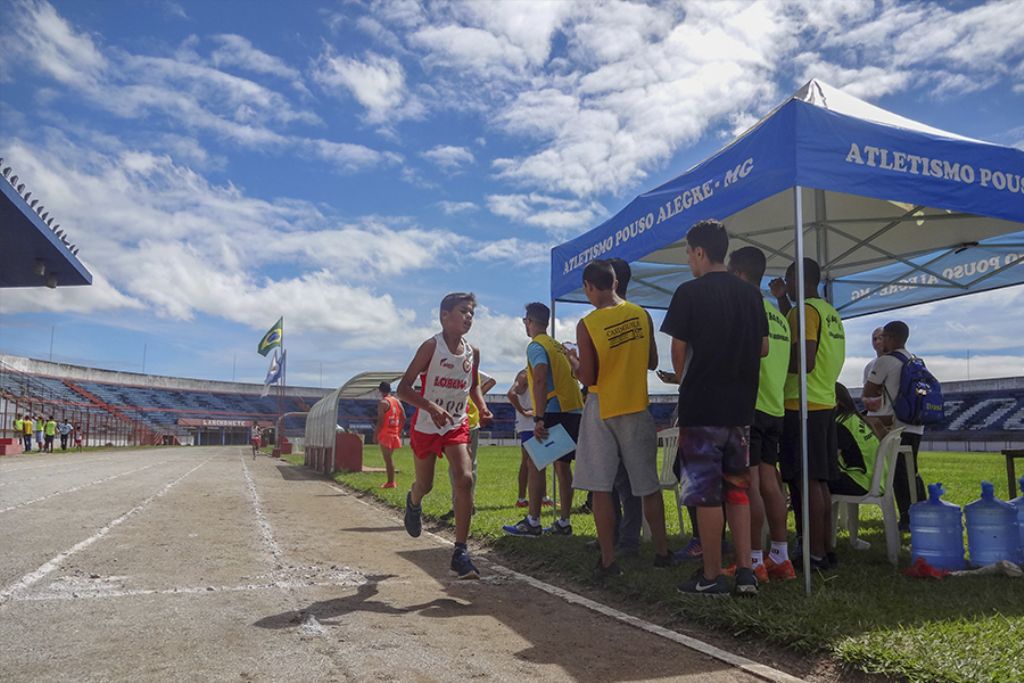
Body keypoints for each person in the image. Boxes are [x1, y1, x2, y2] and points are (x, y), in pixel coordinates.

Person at [661, 219, 768, 596]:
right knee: (738, 489)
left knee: (706, 493)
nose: (689, 260)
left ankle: (711, 575)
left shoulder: (688, 293)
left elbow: (677, 350)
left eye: (689, 253)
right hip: (740, 409)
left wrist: (682, 377)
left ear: (700, 252)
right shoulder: (752, 295)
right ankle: (745, 572)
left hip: (702, 406)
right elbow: (763, 347)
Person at [574, 259, 671, 577]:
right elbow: (653, 360)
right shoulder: (641, 313)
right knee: (648, 486)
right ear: (615, 283)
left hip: (602, 406)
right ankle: (662, 552)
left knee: (602, 488)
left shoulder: (587, 323)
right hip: (636, 404)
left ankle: (608, 561)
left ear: (590, 287)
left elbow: (588, 377)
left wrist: (574, 361)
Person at [397, 292, 491, 579]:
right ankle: (413, 501)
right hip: (427, 424)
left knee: (464, 478)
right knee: (424, 484)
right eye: (463, 311)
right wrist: (431, 406)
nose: (469, 317)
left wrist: (483, 407)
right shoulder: (430, 347)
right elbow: (403, 389)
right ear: (444, 316)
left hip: (456, 423)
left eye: (472, 312)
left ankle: (460, 552)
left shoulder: (472, 351)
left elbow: (472, 386)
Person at [770, 257, 846, 570]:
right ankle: (824, 549)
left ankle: (814, 554)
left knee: (807, 481)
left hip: (802, 404)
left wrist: (773, 363)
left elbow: (806, 360)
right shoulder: (829, 312)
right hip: (824, 401)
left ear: (794, 278)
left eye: (788, 279)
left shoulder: (805, 312)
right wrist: (781, 300)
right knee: (819, 481)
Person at [726, 246, 796, 583]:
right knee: (770, 479)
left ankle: (753, 559)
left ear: (738, 274)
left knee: (750, 482)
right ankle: (780, 556)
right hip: (774, 406)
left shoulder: (743, 306)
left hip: (749, 404)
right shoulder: (780, 316)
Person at [502, 302, 583, 538]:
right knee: (562, 465)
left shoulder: (536, 345)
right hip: (573, 409)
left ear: (529, 321)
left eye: (525, 321)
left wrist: (538, 417)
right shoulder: (557, 345)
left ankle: (533, 521)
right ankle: (564, 522)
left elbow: (539, 377)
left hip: (555, 409)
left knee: (535, 462)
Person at [861, 320, 927, 530]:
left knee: (897, 474)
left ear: (891, 338)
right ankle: (922, 510)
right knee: (912, 470)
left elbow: (868, 393)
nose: (881, 341)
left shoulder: (885, 362)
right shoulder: (916, 361)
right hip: (916, 424)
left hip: (897, 425)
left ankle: (907, 518)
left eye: (884, 337)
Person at [441, 371, 496, 517]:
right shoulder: (467, 367)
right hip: (461, 422)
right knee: (465, 466)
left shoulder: (469, 367)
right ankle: (464, 503)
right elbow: (491, 381)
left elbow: (491, 381)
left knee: (462, 466)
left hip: (465, 422)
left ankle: (463, 504)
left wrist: (475, 399)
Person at [832, 383, 883, 497]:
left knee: (811, 480)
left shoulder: (839, 425)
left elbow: (830, 460)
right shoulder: (854, 418)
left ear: (836, 401)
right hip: (876, 480)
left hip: (860, 482)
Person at [375, 382, 406, 489]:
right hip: (394, 433)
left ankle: (391, 482)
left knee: (388, 459)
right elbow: (404, 417)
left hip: (385, 434)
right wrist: (399, 430)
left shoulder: (383, 403)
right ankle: (390, 481)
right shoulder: (396, 401)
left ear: (380, 390)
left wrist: (376, 434)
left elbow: (381, 421)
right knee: (389, 458)